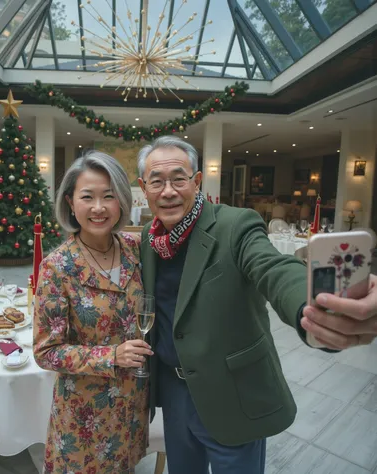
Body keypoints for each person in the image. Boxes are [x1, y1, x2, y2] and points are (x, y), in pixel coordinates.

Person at [136, 136, 377, 474]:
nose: (169, 190)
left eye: (179, 178)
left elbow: (273, 267)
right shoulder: (148, 239)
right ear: (143, 188)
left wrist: (316, 308)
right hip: (175, 392)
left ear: (197, 181)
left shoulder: (236, 225)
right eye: (157, 181)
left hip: (231, 394)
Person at [33, 151, 152, 474]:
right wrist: (111, 355)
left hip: (131, 407)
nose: (98, 208)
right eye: (88, 197)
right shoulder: (58, 267)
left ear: (121, 202)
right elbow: (46, 353)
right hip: (84, 416)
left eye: (108, 197)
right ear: (71, 203)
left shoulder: (135, 249)